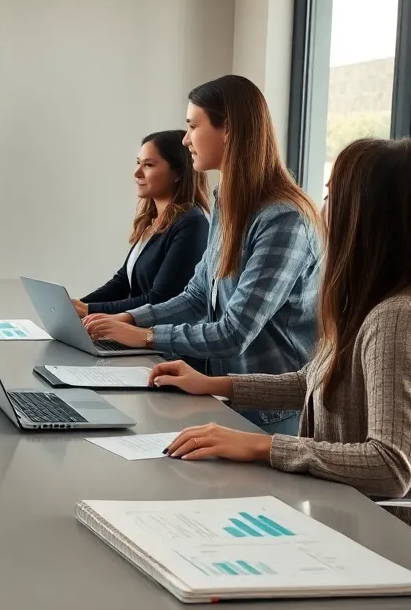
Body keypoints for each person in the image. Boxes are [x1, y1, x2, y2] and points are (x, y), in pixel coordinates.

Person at [153, 138, 411, 558]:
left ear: (368, 217)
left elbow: (390, 464)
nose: (320, 210)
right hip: (344, 523)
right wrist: (212, 384)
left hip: (390, 547)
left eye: (331, 197)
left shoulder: (401, 319)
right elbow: (313, 381)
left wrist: (261, 446)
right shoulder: (380, 304)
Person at [83, 75, 322, 435]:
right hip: (227, 398)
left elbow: (234, 332)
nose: (185, 139)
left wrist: (146, 336)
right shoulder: (227, 201)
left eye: (193, 126)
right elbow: (196, 296)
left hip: (272, 415)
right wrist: (128, 320)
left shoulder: (284, 219)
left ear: (228, 130)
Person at [73, 130, 210, 317]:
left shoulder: (192, 223)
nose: (137, 172)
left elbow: (160, 299)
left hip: (155, 332)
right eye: (138, 163)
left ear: (178, 173)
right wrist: (77, 305)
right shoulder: (152, 222)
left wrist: (89, 310)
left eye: (148, 165)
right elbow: (122, 282)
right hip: (131, 327)